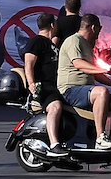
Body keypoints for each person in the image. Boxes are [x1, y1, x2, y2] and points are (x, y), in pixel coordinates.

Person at [57, 14, 111, 150]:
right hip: (70, 90)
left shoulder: (86, 45)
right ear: (93, 28)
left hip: (84, 90)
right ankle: (100, 138)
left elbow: (95, 74)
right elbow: (78, 64)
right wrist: (105, 69)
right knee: (101, 92)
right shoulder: (74, 41)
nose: (99, 33)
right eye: (99, 29)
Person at [24, 13, 67, 158]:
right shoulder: (36, 41)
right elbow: (28, 64)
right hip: (44, 86)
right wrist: (31, 84)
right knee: (55, 106)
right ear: (52, 25)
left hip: (56, 85)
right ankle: (54, 145)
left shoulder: (51, 44)